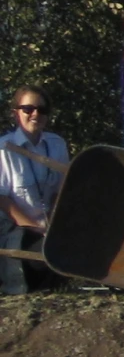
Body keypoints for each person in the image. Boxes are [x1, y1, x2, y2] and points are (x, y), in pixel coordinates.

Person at [0, 87, 67, 296]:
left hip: (48, 225)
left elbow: (62, 189)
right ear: (16, 113)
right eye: (28, 109)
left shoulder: (56, 145)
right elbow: (2, 198)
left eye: (42, 109)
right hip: (15, 226)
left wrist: (53, 223)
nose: (35, 114)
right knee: (43, 254)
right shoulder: (4, 148)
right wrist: (34, 228)